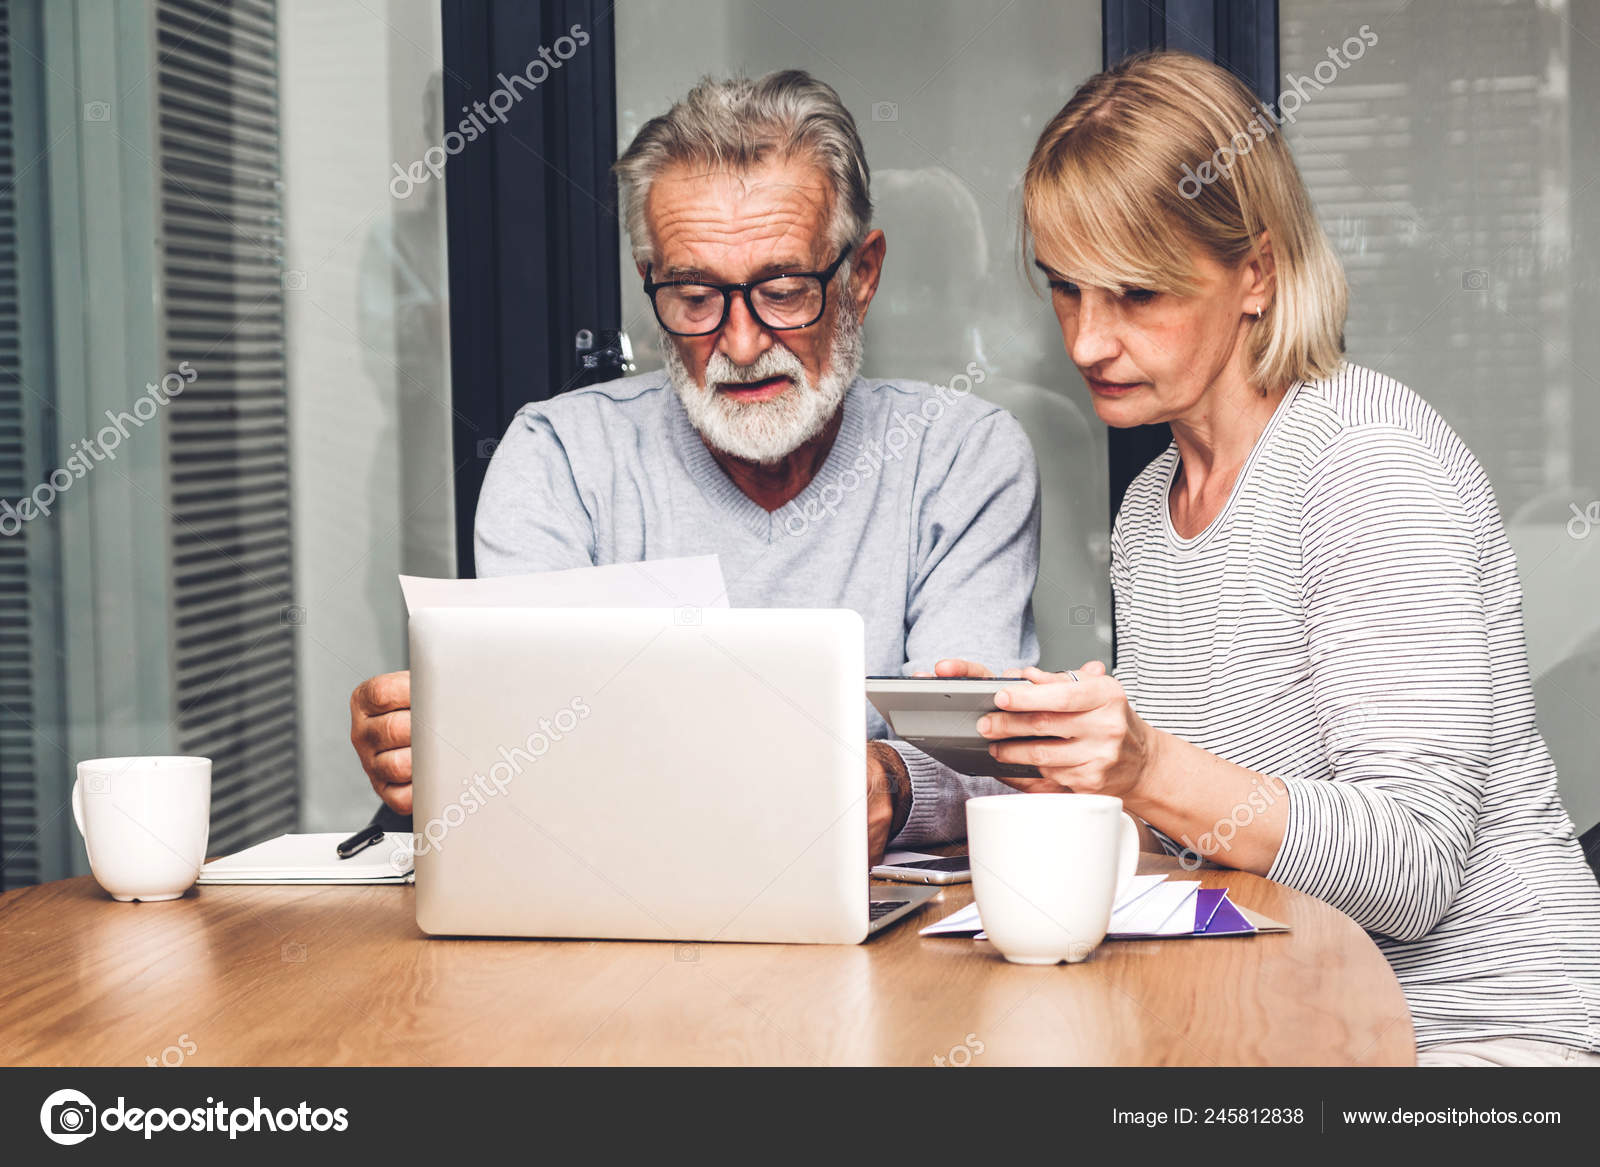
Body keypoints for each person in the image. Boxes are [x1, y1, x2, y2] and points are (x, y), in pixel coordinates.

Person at [941, 50, 1600, 1065]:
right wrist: (1053, 756)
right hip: (1287, 1024)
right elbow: (1219, 835)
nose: (1085, 342)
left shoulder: (1367, 459)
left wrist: (1146, 766)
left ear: (1255, 273)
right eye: (1063, 291)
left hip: (1481, 1034)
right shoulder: (1153, 511)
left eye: (1135, 296)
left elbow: (1415, 869)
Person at [349, 70, 1038, 865]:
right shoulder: (559, 459)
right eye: (693, 296)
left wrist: (894, 783)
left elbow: (998, 760)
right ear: (651, 286)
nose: (741, 346)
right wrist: (437, 749)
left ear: (862, 276)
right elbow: (526, 761)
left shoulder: (961, 456)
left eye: (783, 289)